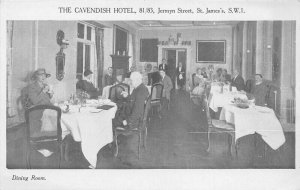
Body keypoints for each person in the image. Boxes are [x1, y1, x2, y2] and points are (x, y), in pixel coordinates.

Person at [26, 68, 54, 136]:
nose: (43, 77)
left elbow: (47, 99)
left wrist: (51, 94)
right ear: (36, 76)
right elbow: (35, 101)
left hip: (46, 108)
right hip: (37, 110)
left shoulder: (45, 85)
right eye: (41, 75)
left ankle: (55, 134)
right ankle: (47, 135)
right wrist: (43, 91)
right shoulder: (31, 87)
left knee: (59, 114)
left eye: (44, 75)